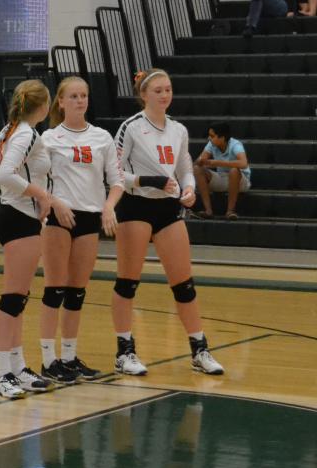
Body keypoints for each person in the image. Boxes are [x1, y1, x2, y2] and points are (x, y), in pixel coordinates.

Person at [111, 70, 225, 377]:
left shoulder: (178, 130)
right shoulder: (131, 128)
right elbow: (115, 173)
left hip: (167, 209)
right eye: (158, 90)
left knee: (184, 283)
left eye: (168, 89)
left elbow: (185, 168)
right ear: (144, 95)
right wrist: (153, 180)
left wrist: (188, 189)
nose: (164, 95)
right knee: (127, 282)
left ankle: (199, 349)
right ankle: (124, 352)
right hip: (136, 205)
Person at [37, 77, 121, 385]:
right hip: (60, 217)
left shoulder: (102, 137)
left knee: (77, 292)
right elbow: (33, 179)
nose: (79, 100)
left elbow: (117, 180)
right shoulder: (48, 138)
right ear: (60, 102)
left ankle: (70, 357)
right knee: (54, 288)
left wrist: (109, 206)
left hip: (89, 217)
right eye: (73, 96)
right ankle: (48, 360)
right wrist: (52, 201)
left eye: (83, 95)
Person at [0, 80, 55, 398]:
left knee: (19, 297)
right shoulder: (25, 133)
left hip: (16, 217)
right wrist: (39, 194)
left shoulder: (9, 130)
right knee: (12, 297)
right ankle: (1, 374)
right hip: (20, 219)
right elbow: (3, 175)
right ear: (45, 106)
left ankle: (17, 366)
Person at [193, 122, 250, 220]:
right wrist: (200, 161)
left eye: (212, 136)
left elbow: (243, 163)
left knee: (234, 171)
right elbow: (199, 162)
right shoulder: (211, 144)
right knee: (197, 169)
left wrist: (218, 162)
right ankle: (208, 211)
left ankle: (230, 211)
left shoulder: (235, 144)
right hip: (222, 178)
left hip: (240, 181)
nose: (209, 138)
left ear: (222, 138)